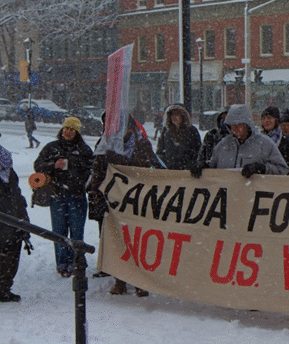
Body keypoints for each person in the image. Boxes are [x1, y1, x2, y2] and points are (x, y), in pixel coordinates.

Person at [88, 114, 162, 295]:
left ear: (130, 128)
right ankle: (119, 280)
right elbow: (97, 171)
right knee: (118, 242)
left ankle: (140, 281)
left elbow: (151, 167)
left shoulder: (142, 144)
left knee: (139, 242)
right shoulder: (105, 144)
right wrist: (97, 197)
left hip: (138, 201)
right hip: (114, 200)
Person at [34, 117, 94, 278]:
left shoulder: (84, 150)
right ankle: (62, 263)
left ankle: (76, 262)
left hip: (76, 197)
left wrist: (80, 184)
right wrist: (53, 165)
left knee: (76, 232)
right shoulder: (52, 148)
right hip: (57, 196)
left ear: (77, 132)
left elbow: (91, 172)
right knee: (59, 232)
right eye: (66, 129)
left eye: (72, 130)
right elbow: (37, 165)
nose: (68, 132)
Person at [0, 127, 30, 303]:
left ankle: (4, 289)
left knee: (12, 253)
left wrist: (22, 215)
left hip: (13, 215)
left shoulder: (3, 161)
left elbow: (15, 190)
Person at [191, 104, 288, 178]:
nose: (234, 129)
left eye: (238, 125)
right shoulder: (223, 144)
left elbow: (282, 169)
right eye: (232, 125)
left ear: (247, 124)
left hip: (253, 199)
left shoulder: (264, 143)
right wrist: (204, 166)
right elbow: (213, 165)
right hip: (228, 198)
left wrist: (262, 168)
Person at [156, 104, 201, 170]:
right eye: (172, 115)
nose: (174, 117)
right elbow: (160, 151)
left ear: (183, 116)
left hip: (187, 172)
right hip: (169, 171)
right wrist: (162, 165)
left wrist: (193, 165)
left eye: (177, 114)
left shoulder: (192, 131)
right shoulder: (166, 131)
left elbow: (198, 151)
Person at [260, 106, 289, 175]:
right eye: (263, 118)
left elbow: (288, 168)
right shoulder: (258, 139)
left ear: (276, 120)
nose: (266, 121)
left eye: (269, 118)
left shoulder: (286, 143)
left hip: (279, 181)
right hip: (261, 180)